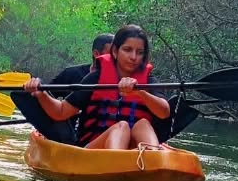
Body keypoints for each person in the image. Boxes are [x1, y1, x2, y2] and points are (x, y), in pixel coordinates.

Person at [22, 25, 171, 150]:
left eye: (139, 52)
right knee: (122, 127)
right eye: (127, 49)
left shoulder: (149, 81)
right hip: (94, 149)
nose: (133, 57)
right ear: (115, 51)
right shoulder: (96, 78)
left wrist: (140, 92)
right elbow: (61, 112)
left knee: (143, 124)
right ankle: (116, 168)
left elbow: (164, 112)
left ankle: (153, 160)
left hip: (132, 150)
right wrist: (41, 94)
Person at [47, 33, 115, 89]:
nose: (115, 57)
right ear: (96, 54)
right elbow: (45, 95)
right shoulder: (71, 74)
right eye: (111, 54)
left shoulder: (119, 79)